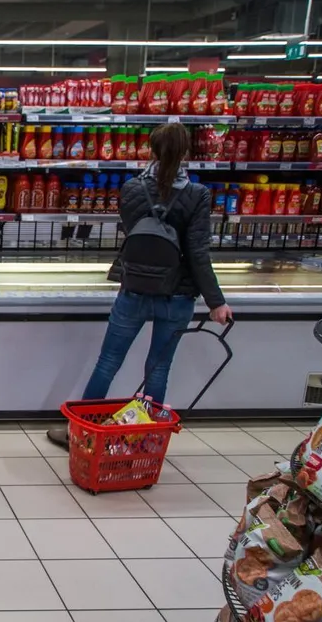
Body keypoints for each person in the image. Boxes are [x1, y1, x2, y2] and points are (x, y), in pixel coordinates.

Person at [48, 122, 232, 446]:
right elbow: (198, 252)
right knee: (157, 370)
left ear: (152, 150)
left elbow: (133, 232)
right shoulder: (197, 195)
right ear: (186, 152)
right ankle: (146, 438)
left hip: (133, 289)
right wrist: (216, 302)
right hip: (177, 295)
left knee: (108, 362)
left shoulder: (132, 189)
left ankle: (82, 432)